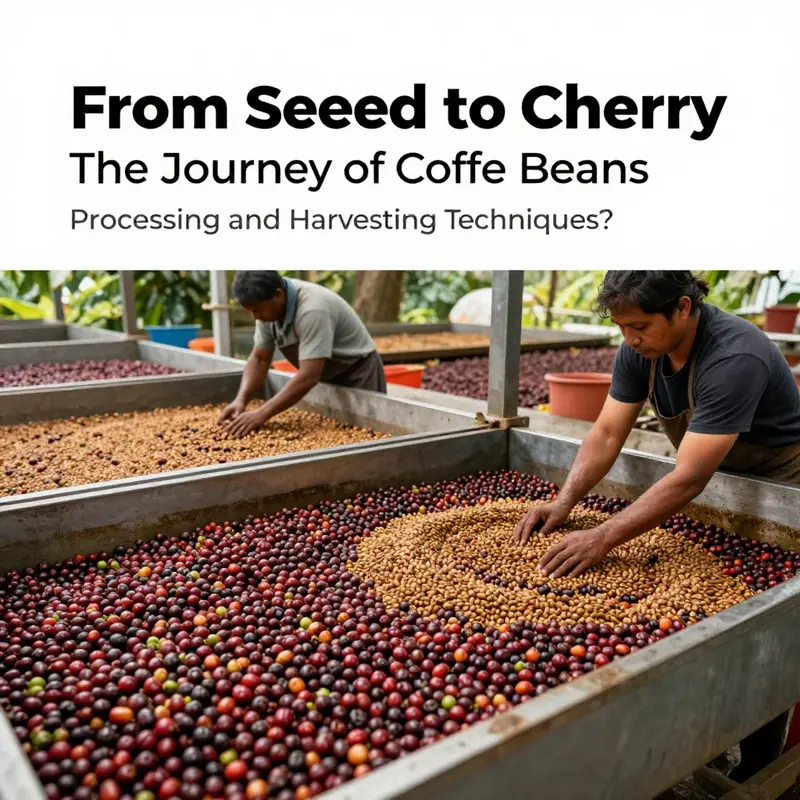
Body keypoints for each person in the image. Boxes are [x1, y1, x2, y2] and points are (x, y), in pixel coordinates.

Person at [512, 270, 800, 781]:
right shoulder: (641, 350)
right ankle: (698, 737)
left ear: (684, 308)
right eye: (622, 327)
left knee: (766, 625)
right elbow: (605, 433)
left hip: (783, 489)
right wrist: (565, 502)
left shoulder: (735, 356)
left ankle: (756, 758)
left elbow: (688, 478)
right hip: (716, 475)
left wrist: (602, 535)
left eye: (640, 325)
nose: (630, 338)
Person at [218, 271, 386, 437]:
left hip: (358, 373)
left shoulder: (313, 309)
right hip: (326, 376)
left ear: (278, 295)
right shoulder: (267, 312)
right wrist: (241, 399)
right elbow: (260, 358)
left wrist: (262, 413)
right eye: (251, 311)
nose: (256, 317)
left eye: (257, 310)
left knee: (369, 436)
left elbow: (308, 375)